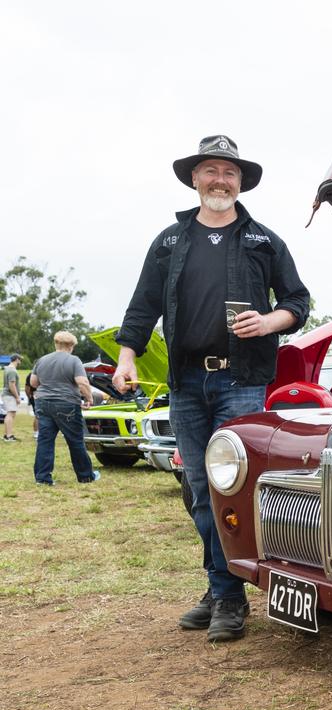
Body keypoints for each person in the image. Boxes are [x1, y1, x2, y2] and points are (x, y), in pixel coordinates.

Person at [112, 135, 310, 643]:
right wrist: (127, 356)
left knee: (232, 489)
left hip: (241, 382)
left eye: (230, 172)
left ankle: (226, 595)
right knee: (201, 491)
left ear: (241, 183)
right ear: (195, 179)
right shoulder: (170, 242)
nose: (220, 180)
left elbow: (298, 301)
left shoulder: (264, 241)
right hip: (185, 383)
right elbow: (142, 304)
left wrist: (269, 323)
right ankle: (224, 589)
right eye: (211, 171)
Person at [30, 333, 98, 484]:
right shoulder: (74, 360)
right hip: (66, 404)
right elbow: (82, 382)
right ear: (71, 346)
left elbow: (34, 382)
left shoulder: (42, 360)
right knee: (75, 441)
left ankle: (42, 478)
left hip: (43, 403)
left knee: (45, 440)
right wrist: (89, 398)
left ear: (56, 344)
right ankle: (86, 476)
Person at [3, 353, 21, 441]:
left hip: (8, 395)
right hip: (10, 395)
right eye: (20, 359)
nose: (20, 361)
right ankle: (9, 436)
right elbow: (12, 385)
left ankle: (7, 435)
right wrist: (17, 397)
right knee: (10, 414)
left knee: (10, 414)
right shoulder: (12, 371)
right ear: (16, 359)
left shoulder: (8, 369)